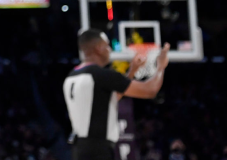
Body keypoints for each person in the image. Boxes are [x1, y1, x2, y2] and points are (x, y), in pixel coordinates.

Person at [64, 29, 170, 160]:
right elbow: (150, 90)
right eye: (107, 46)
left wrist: (132, 71)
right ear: (98, 48)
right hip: (98, 149)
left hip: (79, 149)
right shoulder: (101, 75)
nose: (109, 50)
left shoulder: (72, 76)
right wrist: (161, 66)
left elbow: (111, 99)